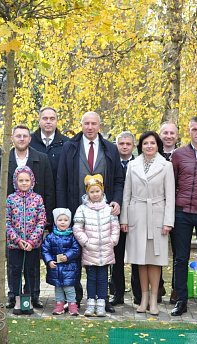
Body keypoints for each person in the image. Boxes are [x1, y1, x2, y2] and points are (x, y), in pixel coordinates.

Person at [56, 111, 124, 312]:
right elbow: (61, 180)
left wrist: (117, 201)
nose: (90, 127)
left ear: (99, 125)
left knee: (102, 260)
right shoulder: (69, 147)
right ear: (81, 125)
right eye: (86, 123)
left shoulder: (110, 149)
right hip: (76, 214)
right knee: (75, 256)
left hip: (103, 215)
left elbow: (119, 181)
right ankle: (75, 298)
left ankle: (103, 299)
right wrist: (62, 212)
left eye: (94, 123)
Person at [0, 124, 54, 309]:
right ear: (12, 138)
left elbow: (48, 190)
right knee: (14, 266)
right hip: (13, 229)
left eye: (25, 136)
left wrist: (44, 224)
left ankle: (33, 295)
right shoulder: (4, 160)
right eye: (18, 136)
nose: (21, 139)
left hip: (33, 229)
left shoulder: (41, 159)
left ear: (30, 139)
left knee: (32, 266)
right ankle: (13, 295)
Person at [120, 131, 175, 316]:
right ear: (141, 146)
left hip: (157, 217)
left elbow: (170, 197)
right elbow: (126, 194)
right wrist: (124, 219)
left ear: (157, 145)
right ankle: (143, 298)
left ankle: (153, 299)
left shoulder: (166, 166)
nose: (149, 146)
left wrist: (168, 222)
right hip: (137, 216)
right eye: (145, 143)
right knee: (140, 260)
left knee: (154, 260)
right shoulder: (132, 165)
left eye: (152, 143)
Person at [171, 116, 197, 316]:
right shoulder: (179, 154)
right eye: (194, 129)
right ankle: (181, 300)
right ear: (188, 131)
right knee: (181, 258)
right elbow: (171, 184)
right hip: (182, 213)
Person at [73, 174, 120, 316]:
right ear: (87, 192)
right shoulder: (82, 209)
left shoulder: (108, 208)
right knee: (91, 278)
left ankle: (101, 305)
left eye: (97, 191)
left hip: (106, 249)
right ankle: (90, 304)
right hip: (90, 250)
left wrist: (113, 240)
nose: (95, 194)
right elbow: (77, 227)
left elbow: (115, 226)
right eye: (92, 192)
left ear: (102, 191)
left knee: (103, 278)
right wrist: (85, 242)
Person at [6, 166, 46, 315]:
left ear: (32, 181)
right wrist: (17, 240)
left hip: (32, 245)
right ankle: (16, 299)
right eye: (20, 180)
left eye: (27, 180)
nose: (24, 183)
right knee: (15, 270)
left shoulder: (37, 199)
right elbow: (7, 222)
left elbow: (41, 220)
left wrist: (32, 241)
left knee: (30, 271)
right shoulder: (10, 199)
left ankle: (27, 299)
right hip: (15, 245)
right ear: (15, 181)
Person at [110, 131, 136, 307]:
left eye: (128, 144)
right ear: (116, 145)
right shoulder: (110, 163)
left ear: (133, 146)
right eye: (121, 143)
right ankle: (117, 293)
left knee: (136, 257)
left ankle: (139, 294)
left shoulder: (140, 164)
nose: (125, 146)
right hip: (115, 216)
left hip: (136, 217)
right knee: (116, 257)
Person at [41, 208, 80, 316]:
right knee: (58, 288)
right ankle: (59, 305)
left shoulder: (73, 236)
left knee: (69, 288)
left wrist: (67, 256)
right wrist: (49, 261)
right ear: (55, 221)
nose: (63, 222)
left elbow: (76, 249)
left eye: (66, 220)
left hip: (69, 268)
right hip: (56, 268)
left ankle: (72, 305)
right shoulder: (50, 237)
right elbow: (45, 250)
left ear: (70, 222)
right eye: (60, 220)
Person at [159, 121, 179, 304]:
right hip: (155, 209)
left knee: (178, 253)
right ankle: (157, 287)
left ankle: (176, 289)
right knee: (155, 250)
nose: (169, 136)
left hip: (178, 208)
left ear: (177, 135)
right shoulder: (152, 154)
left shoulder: (182, 155)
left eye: (172, 132)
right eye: (165, 132)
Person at [30, 106, 69, 185]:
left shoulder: (67, 143)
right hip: (33, 193)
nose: (48, 122)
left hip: (57, 191)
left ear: (57, 121)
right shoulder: (29, 141)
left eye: (52, 119)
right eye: (45, 118)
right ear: (39, 120)